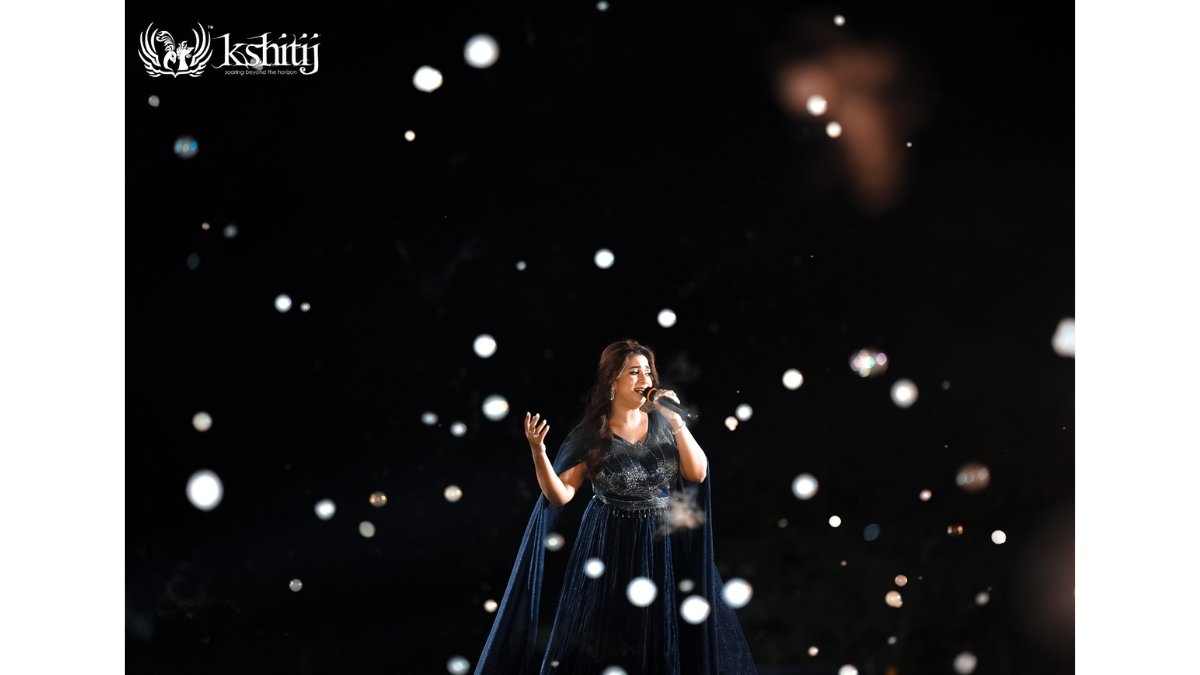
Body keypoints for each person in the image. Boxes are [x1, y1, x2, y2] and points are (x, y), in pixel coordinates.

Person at [474, 339, 757, 674]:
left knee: (667, 632)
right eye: (634, 372)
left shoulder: (665, 423)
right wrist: (539, 453)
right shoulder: (592, 433)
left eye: (648, 371)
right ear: (612, 381)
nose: (645, 379)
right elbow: (560, 495)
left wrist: (677, 422)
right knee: (611, 636)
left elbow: (697, 473)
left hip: (664, 542)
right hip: (611, 541)